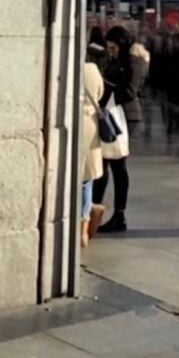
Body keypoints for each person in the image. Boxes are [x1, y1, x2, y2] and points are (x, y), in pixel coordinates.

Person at [92, 27, 145, 233]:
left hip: (124, 116)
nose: (110, 51)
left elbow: (130, 91)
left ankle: (119, 214)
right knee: (103, 163)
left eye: (113, 47)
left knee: (117, 164)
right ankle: (95, 210)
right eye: (109, 48)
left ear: (122, 45)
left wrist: (109, 86)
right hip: (110, 114)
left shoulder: (134, 61)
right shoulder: (115, 60)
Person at [78, 50, 108, 244]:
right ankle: (83, 230)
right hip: (89, 123)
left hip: (71, 119)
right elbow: (100, 93)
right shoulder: (92, 69)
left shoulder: (68, 66)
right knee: (86, 180)